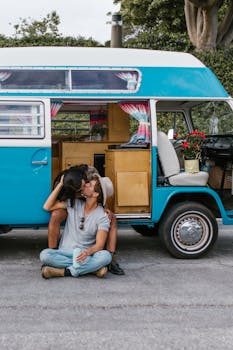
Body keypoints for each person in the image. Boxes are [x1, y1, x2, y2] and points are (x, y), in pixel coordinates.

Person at [48, 165, 125, 275]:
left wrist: (104, 208)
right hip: (69, 205)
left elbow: (99, 193)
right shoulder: (65, 180)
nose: (86, 184)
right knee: (55, 215)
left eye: (88, 183)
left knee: (111, 218)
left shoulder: (90, 174)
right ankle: (56, 252)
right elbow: (51, 204)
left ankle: (111, 259)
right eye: (85, 184)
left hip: (87, 203)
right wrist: (61, 186)